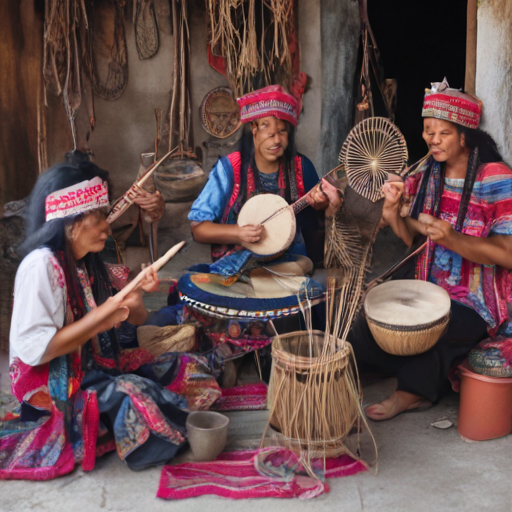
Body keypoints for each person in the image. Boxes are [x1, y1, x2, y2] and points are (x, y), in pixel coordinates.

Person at [0, 158, 217, 480]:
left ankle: (108, 421)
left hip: (96, 369)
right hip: (58, 388)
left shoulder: (86, 262)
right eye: (98, 216)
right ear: (71, 222)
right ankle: (103, 424)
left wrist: (135, 299)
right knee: (137, 395)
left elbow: (134, 322)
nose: (107, 226)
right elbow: (35, 350)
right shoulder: (40, 265)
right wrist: (101, 318)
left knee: (193, 372)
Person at [350, 79, 512, 420]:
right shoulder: (427, 173)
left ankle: (412, 393)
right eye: (427, 131)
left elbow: (508, 253)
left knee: (432, 330)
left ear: (465, 135)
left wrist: (454, 239)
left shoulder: (493, 177)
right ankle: (383, 364)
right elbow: (415, 243)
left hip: (474, 300)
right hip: (425, 286)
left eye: (443, 133)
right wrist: (393, 212)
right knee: (367, 323)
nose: (432, 140)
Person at [188, 85, 328, 271]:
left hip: (288, 264)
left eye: (282, 131)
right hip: (235, 266)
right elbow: (198, 229)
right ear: (252, 129)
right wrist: (238, 233)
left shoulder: (301, 168)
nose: (276, 140)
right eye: (266, 129)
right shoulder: (229, 169)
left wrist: (321, 207)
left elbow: (315, 227)